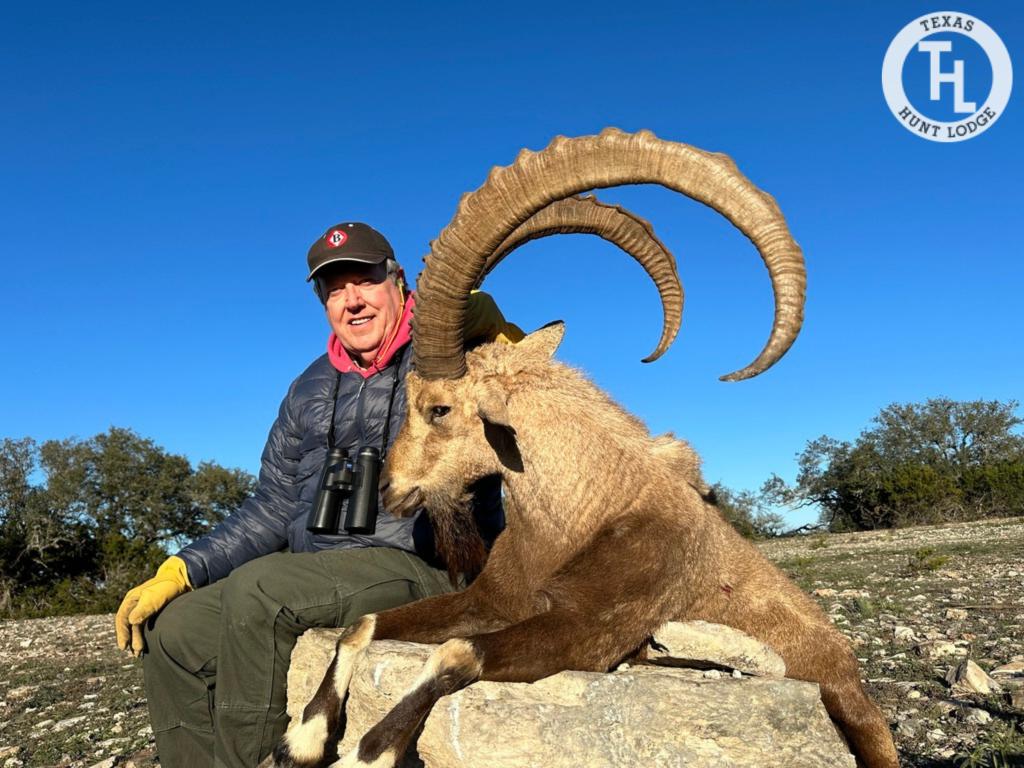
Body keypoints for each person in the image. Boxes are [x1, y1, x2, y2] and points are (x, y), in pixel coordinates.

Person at [114, 222, 522, 768]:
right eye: (334, 287)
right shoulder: (307, 386)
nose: (351, 300)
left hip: (424, 563)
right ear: (321, 300)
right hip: (320, 569)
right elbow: (274, 504)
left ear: (397, 281)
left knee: (262, 589)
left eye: (366, 280)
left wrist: (491, 332)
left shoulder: (449, 352)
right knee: (176, 631)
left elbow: (523, 378)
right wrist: (182, 569)